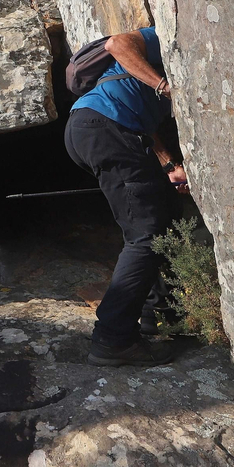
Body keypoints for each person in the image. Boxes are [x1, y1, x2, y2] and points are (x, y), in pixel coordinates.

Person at [63, 26, 191, 366]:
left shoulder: (134, 84)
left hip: (102, 129)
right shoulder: (156, 36)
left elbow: (143, 119)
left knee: (168, 216)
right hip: (105, 127)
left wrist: (169, 166)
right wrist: (164, 86)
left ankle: (156, 314)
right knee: (146, 235)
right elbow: (117, 43)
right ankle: (113, 340)